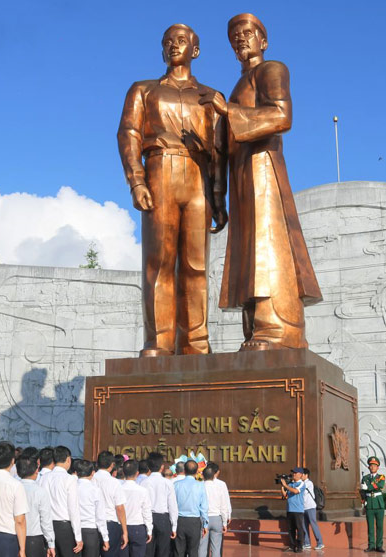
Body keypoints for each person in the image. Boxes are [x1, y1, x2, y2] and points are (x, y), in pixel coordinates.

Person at [204, 13, 322, 350]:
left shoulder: (273, 70)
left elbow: (282, 116)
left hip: (263, 167)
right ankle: (255, 327)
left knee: (268, 244)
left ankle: (279, 328)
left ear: (263, 41)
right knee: (247, 250)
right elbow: (223, 144)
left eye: (247, 33)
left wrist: (228, 112)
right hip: (242, 171)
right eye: (234, 37)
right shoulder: (237, 86)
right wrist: (217, 198)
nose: (240, 39)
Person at [117, 23, 227, 356]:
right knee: (159, 262)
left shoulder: (209, 96)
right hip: (160, 169)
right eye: (168, 42)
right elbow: (129, 134)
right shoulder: (143, 90)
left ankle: (195, 343)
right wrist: (136, 179)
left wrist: (219, 197)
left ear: (195, 50)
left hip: (198, 176)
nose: (173, 45)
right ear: (162, 50)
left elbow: (219, 148)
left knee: (196, 266)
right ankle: (159, 342)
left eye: (181, 41)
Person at [41, 445, 83, 557]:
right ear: (67, 460)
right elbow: (73, 509)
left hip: (47, 526)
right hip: (65, 527)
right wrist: (78, 536)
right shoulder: (70, 480)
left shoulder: (44, 479)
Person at [93, 451, 128, 557]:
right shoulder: (114, 483)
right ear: (112, 465)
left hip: (91, 525)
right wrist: (125, 531)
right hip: (110, 524)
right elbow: (119, 508)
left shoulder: (90, 479)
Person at [140, 452, 177, 557]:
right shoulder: (167, 483)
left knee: (147, 556)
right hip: (162, 518)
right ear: (162, 467)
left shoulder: (143, 482)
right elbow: (172, 506)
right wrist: (174, 526)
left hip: (147, 517)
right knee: (162, 556)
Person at [75, 459, 109, 557]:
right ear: (92, 473)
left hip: (74, 531)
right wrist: (105, 537)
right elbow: (100, 516)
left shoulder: (72, 487)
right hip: (90, 532)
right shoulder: (95, 490)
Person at [117, 460, 152, 557]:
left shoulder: (119, 488)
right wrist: (149, 529)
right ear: (137, 473)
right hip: (138, 528)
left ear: (123, 472)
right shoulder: (142, 491)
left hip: (122, 527)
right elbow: (146, 511)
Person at [171, 460, 207, 557]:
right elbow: (204, 507)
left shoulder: (176, 485)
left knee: (178, 552)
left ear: (184, 471)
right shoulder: (200, 486)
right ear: (197, 471)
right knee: (193, 552)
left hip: (180, 520)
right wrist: (205, 523)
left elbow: (172, 504)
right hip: (194, 521)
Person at [199, 464, 230, 557]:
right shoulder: (220, 487)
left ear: (203, 475)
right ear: (214, 475)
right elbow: (224, 505)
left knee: (202, 546)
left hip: (204, 518)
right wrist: (224, 523)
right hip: (216, 518)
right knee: (216, 548)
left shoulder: (200, 486)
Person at [360, 456, 386, 553]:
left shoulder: (381, 477)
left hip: (379, 504)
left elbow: (380, 485)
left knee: (379, 526)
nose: (372, 467)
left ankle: (379, 545)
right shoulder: (365, 478)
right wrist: (363, 501)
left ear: (377, 467)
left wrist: (368, 487)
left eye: (374, 465)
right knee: (370, 526)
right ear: (368, 467)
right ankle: (371, 545)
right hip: (369, 504)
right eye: (371, 465)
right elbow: (362, 492)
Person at [280, 468, 306, 553]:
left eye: (295, 473)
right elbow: (286, 496)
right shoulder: (291, 484)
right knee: (291, 529)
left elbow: (295, 491)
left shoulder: (302, 484)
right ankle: (292, 546)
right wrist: (282, 487)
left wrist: (286, 485)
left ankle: (300, 546)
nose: (293, 474)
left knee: (299, 528)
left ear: (301, 474)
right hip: (290, 509)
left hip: (298, 510)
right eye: (293, 473)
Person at [301, 468, 324, 550]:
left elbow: (301, 488)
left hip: (310, 507)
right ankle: (307, 543)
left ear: (306, 475)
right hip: (303, 507)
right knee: (304, 526)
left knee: (313, 525)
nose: (300, 476)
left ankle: (320, 543)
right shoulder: (301, 483)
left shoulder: (309, 483)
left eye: (302, 474)